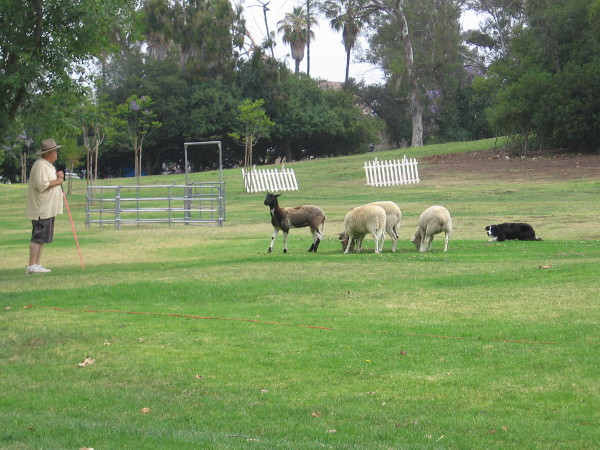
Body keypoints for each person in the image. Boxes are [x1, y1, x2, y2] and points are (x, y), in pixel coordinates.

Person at [25, 138, 65, 273]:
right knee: (38, 236)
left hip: (47, 208)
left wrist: (57, 176)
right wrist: (59, 180)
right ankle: (31, 265)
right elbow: (41, 185)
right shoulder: (40, 165)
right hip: (41, 209)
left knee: (42, 238)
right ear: (50, 153)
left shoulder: (47, 165)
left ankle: (36, 264)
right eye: (56, 152)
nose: (57, 154)